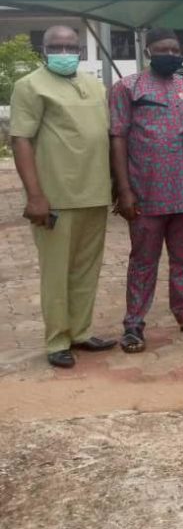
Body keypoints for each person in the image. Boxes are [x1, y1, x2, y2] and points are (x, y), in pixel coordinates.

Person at [9, 25, 117, 368]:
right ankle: (57, 340)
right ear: (43, 49)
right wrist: (35, 195)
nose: (65, 51)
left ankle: (81, 332)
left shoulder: (95, 85)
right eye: (56, 46)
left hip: (95, 193)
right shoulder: (30, 86)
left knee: (87, 270)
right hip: (55, 198)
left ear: (81, 50)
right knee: (56, 273)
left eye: (71, 46)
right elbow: (21, 140)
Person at [109, 28, 183, 353]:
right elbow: (117, 137)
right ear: (148, 52)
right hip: (146, 192)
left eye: (175, 49)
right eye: (163, 49)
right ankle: (133, 323)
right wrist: (123, 190)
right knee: (143, 261)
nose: (170, 54)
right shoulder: (127, 87)